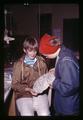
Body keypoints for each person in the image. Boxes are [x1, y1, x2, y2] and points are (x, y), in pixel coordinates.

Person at [39, 33, 79, 116]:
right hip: (64, 104)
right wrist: (56, 70)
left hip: (68, 108)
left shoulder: (66, 61)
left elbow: (69, 88)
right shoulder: (63, 51)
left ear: (50, 51)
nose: (46, 57)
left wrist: (54, 82)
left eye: (45, 55)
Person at [11, 35, 50, 116]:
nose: (33, 53)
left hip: (40, 94)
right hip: (24, 95)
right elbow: (14, 85)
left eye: (35, 50)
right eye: (30, 50)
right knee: (27, 114)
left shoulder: (41, 62)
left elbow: (46, 78)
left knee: (45, 114)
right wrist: (28, 89)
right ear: (24, 50)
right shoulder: (18, 64)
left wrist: (50, 79)